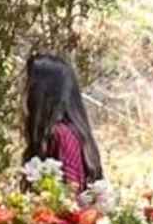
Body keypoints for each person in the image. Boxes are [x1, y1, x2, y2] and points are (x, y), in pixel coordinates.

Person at [21, 51, 102, 192]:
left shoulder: (61, 136)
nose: (24, 93)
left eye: (28, 85)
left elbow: (69, 196)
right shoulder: (58, 135)